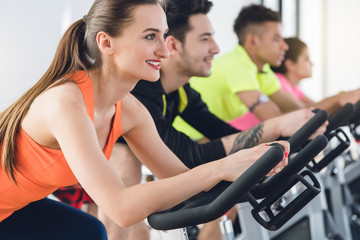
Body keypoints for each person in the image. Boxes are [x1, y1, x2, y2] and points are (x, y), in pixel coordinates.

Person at [0, 0, 290, 239]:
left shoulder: (129, 109)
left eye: (163, 36)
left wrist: (254, 172)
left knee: (87, 231)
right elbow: (121, 209)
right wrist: (222, 167)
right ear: (106, 43)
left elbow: (178, 180)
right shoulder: (66, 103)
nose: (164, 51)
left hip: (16, 207)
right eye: (150, 36)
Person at [98, 1, 326, 239]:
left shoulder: (181, 92)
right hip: (89, 174)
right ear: (174, 45)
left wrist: (268, 143)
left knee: (223, 201)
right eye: (205, 39)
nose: (216, 49)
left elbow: (214, 139)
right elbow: (184, 159)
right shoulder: (139, 93)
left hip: (116, 180)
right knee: (124, 163)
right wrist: (273, 127)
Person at [186, 4, 304, 132]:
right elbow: (276, 121)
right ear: (252, 41)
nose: (285, 46)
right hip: (193, 140)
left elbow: (299, 109)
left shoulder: (262, 70)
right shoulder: (236, 65)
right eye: (276, 39)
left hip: (213, 136)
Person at [272, 37, 360, 116]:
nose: (312, 64)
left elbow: (315, 105)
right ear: (290, 64)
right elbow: (306, 111)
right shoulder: (280, 81)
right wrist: (339, 99)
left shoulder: (296, 88)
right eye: (306, 59)